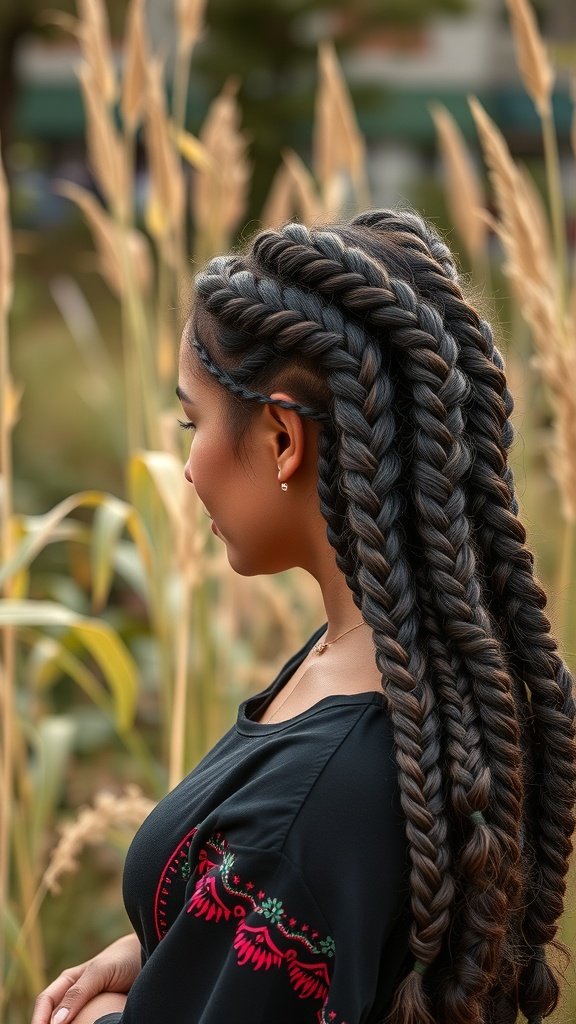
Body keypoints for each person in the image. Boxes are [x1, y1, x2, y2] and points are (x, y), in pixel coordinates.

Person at [33, 209, 576, 1024]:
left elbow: (287, 877)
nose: (183, 466)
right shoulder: (403, 672)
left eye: (193, 422)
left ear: (284, 437)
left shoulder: (319, 798)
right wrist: (160, 946)